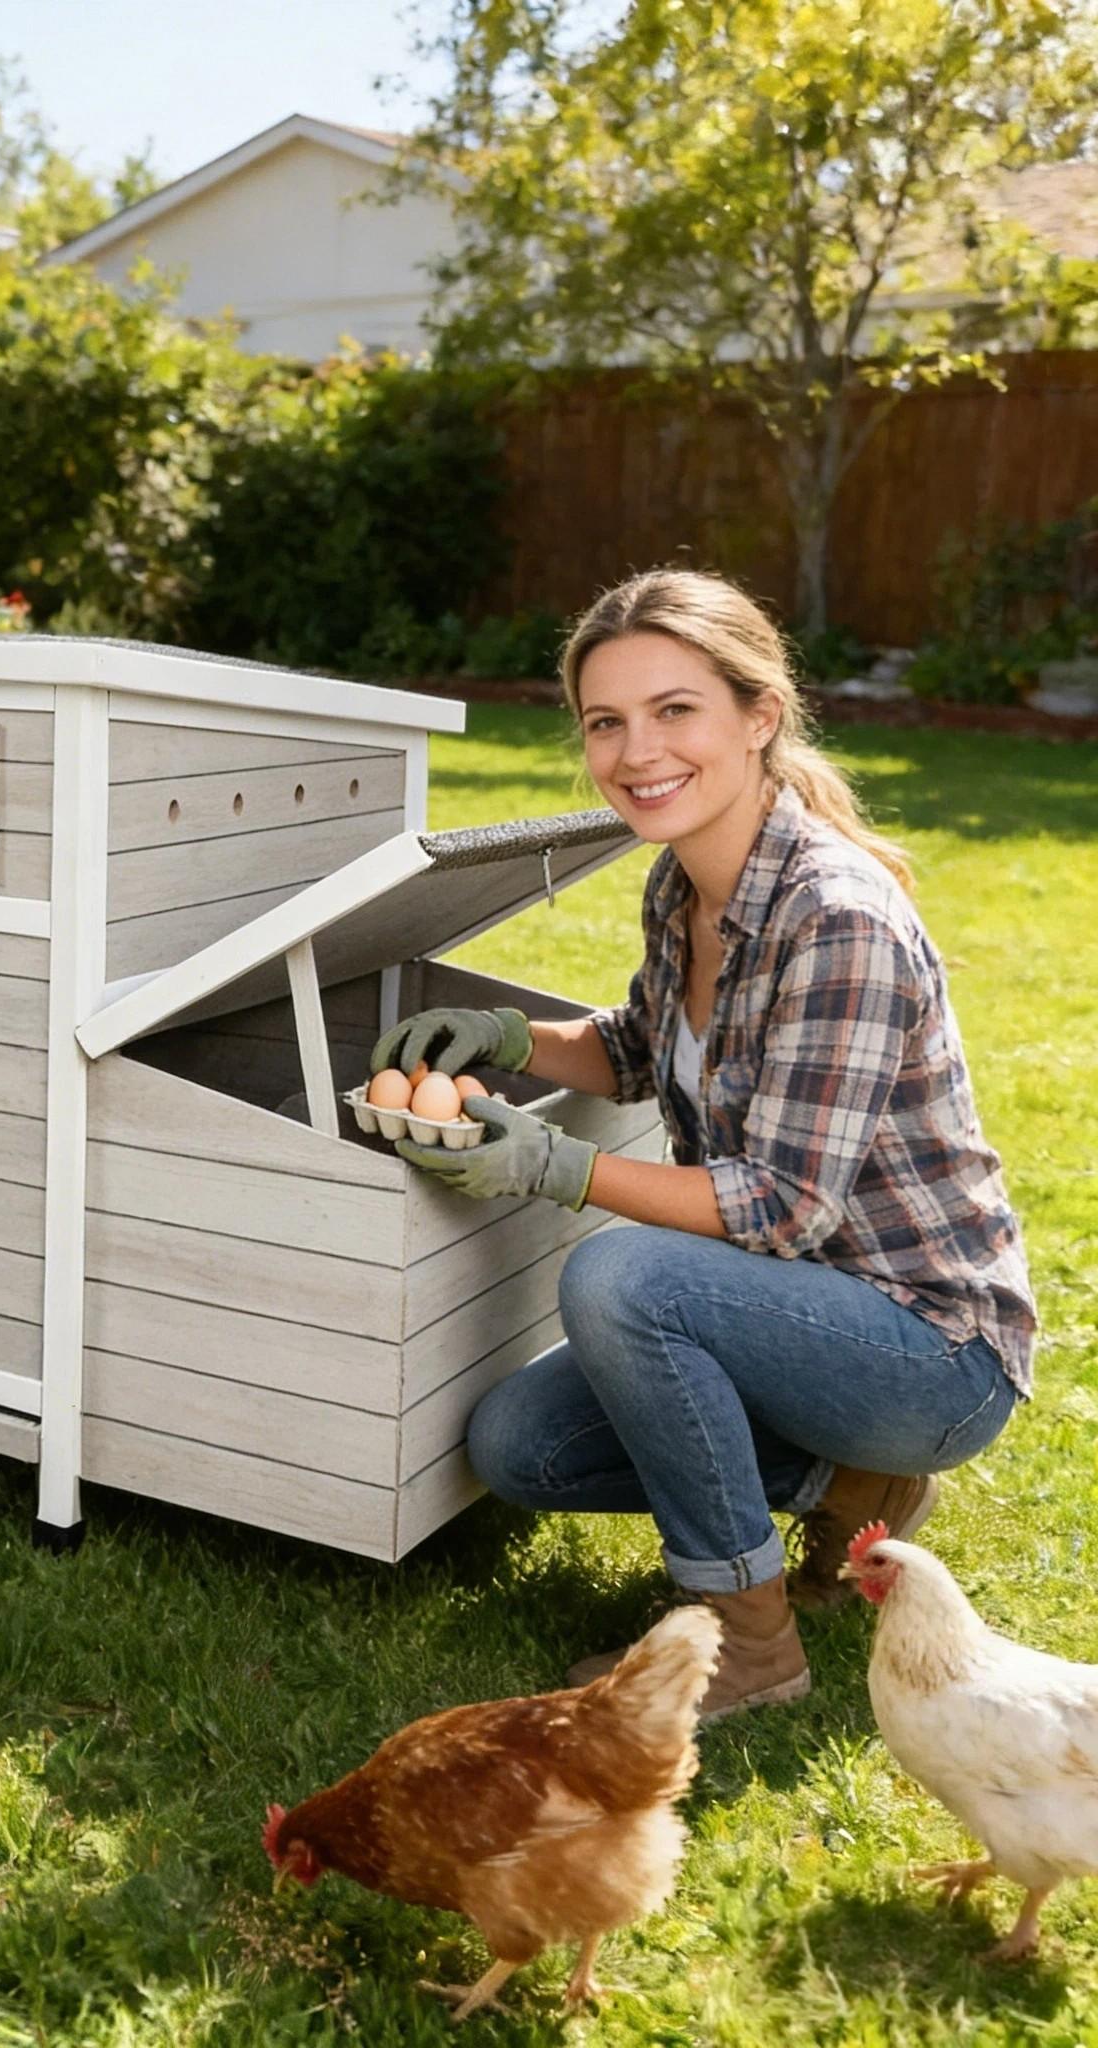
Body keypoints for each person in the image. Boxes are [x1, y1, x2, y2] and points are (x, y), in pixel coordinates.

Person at [375, 570, 1035, 1721]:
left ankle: (746, 1636)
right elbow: (637, 1046)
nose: (636, 751)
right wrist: (501, 1036)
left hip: (924, 1345)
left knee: (621, 1273)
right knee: (520, 1445)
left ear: (757, 715)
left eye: (673, 709)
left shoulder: (831, 913)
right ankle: (851, 1482)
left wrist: (551, 1166)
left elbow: (778, 1207)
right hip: (791, 1311)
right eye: (605, 721)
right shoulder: (681, 883)